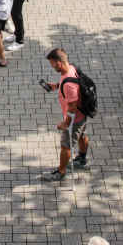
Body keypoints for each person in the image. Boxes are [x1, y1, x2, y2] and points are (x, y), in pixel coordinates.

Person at [41, 48, 90, 181]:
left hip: (74, 119)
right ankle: (82, 158)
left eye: (52, 64)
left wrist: (66, 124)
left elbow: (72, 107)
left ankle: (61, 172)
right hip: (83, 114)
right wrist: (56, 86)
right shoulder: (72, 68)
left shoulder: (68, 84)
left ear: (59, 63)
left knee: (65, 146)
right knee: (82, 135)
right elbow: (70, 83)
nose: (52, 67)